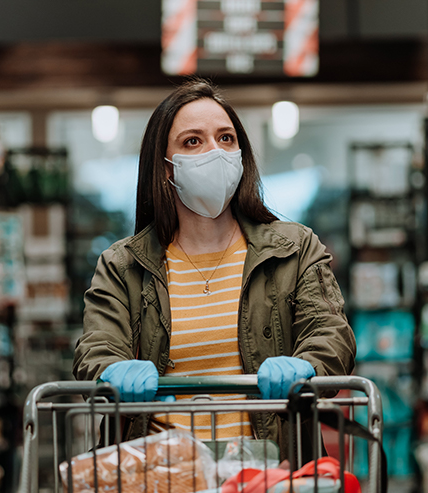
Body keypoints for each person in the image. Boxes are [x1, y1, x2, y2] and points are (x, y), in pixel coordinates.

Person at [73, 79, 355, 447]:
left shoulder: (295, 250)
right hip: (164, 477)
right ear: (166, 168)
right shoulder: (122, 266)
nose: (216, 152)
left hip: (267, 475)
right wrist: (112, 369)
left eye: (226, 139)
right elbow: (97, 347)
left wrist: (308, 365)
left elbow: (332, 335)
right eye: (193, 141)